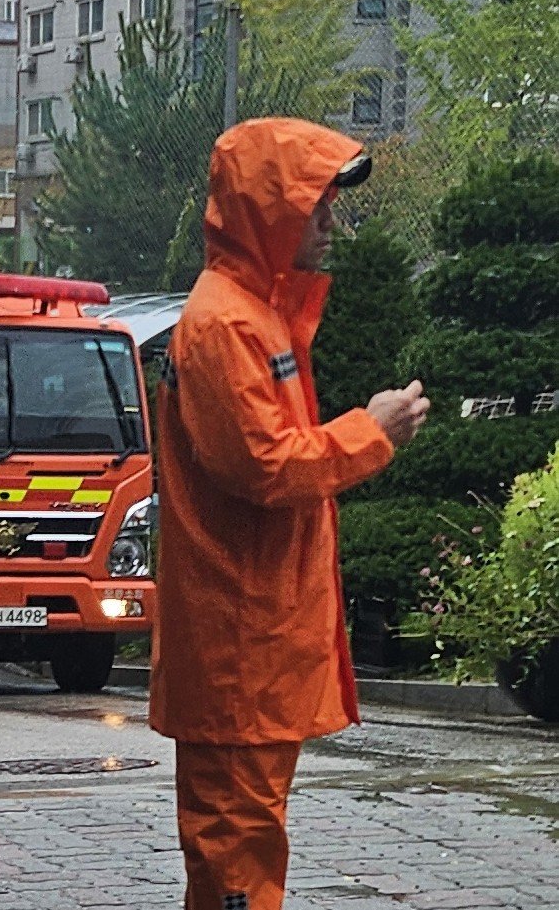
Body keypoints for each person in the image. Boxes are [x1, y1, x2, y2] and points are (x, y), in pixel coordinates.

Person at [150, 118, 431, 910]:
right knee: (236, 845)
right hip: (240, 643)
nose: (330, 224)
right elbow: (267, 465)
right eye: (317, 207)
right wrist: (370, 431)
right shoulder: (226, 324)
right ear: (270, 210)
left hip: (251, 639)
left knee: (241, 841)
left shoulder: (252, 315)